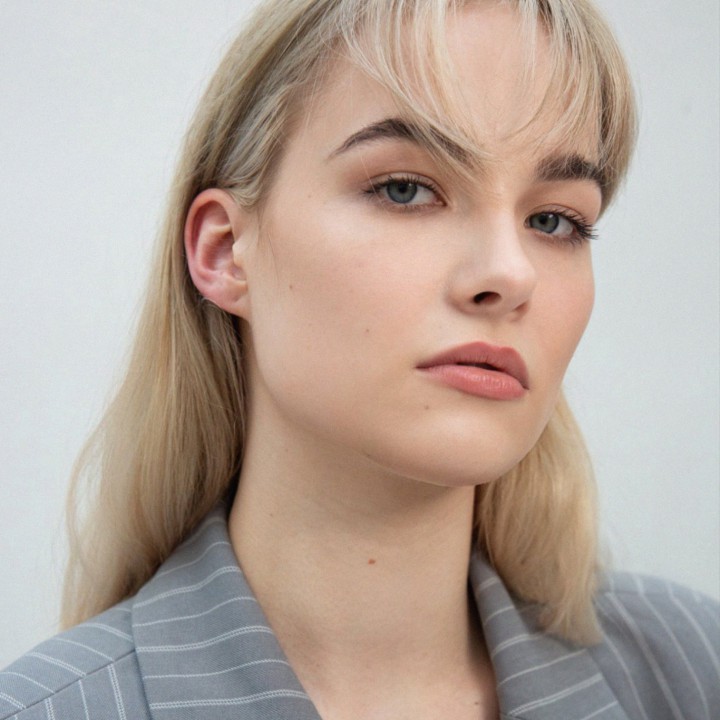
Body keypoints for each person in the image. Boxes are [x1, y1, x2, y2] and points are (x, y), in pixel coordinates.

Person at [1, 0, 717, 718]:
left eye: (554, 221)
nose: (509, 272)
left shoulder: (693, 671)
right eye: (406, 189)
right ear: (224, 251)